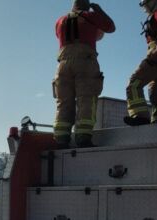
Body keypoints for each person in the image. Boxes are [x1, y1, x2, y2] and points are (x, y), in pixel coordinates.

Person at [53, 0, 115, 148]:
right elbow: (110, 27)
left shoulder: (60, 21)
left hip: (62, 66)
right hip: (85, 62)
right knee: (86, 100)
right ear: (86, 4)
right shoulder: (91, 16)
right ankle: (83, 138)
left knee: (63, 103)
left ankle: (61, 139)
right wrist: (99, 10)